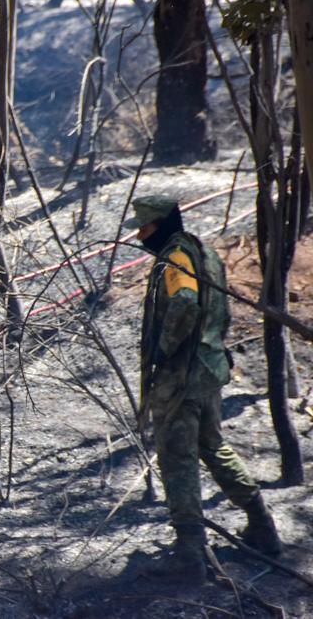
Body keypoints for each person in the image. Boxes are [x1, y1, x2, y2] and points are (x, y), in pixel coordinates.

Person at [127, 195, 281, 583]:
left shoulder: (176, 258)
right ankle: (262, 524)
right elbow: (221, 312)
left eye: (145, 228)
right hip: (210, 370)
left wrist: (164, 351)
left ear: (160, 225)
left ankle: (189, 553)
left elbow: (184, 302)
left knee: (177, 458)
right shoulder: (205, 252)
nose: (141, 236)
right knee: (213, 445)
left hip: (182, 378)